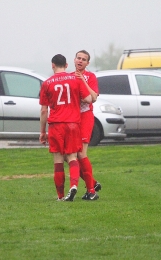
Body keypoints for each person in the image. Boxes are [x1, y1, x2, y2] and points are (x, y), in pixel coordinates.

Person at [39, 54, 92, 201]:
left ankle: (61, 196)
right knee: (73, 156)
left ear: (52, 65)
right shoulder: (75, 79)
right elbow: (88, 99)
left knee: (58, 159)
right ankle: (74, 185)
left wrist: (42, 132)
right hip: (73, 124)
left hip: (56, 124)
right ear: (67, 65)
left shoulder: (47, 83)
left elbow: (44, 110)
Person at [72, 50, 101, 200]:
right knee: (69, 156)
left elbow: (93, 97)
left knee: (81, 154)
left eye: (84, 59)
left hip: (85, 117)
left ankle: (91, 190)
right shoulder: (69, 76)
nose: (80, 61)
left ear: (87, 63)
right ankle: (93, 182)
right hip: (72, 118)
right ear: (74, 59)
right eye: (78, 58)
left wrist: (82, 80)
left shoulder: (90, 77)